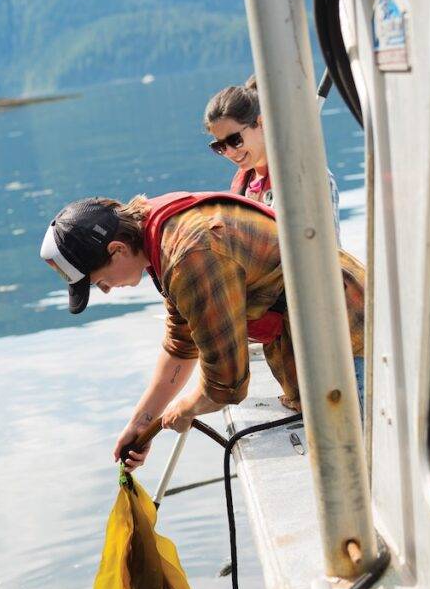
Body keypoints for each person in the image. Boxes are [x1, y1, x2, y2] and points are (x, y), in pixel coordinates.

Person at [40, 190, 365, 469]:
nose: (107, 290)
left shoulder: (188, 255)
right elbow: (182, 345)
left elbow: (227, 384)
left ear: (117, 250)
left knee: (369, 467)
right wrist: (142, 423)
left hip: (346, 337)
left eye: (99, 282)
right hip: (322, 332)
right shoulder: (157, 232)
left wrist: (188, 407)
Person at [204, 77, 342, 244]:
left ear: (261, 123)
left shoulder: (308, 176)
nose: (230, 152)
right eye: (220, 146)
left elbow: (328, 251)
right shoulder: (244, 184)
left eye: (235, 140)